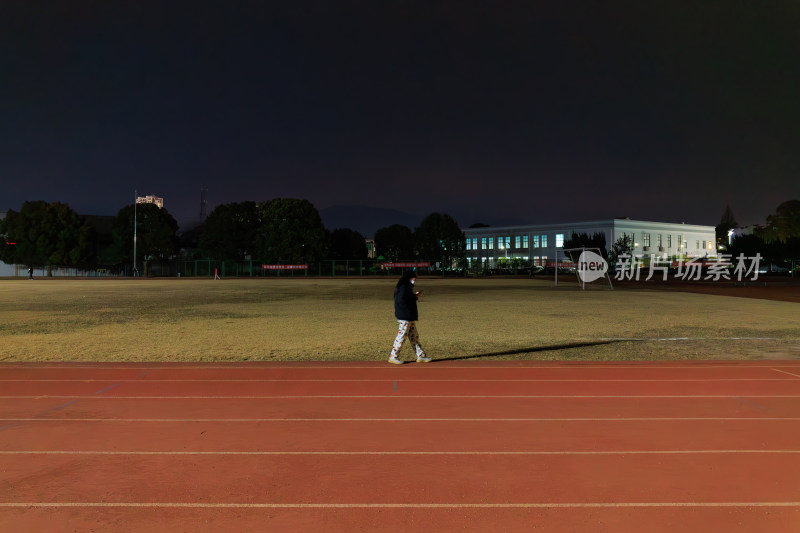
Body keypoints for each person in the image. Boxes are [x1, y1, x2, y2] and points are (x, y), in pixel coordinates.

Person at [388, 270, 431, 364]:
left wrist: (414, 297)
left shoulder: (404, 286)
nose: (414, 280)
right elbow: (401, 300)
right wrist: (414, 297)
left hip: (408, 315)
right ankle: (393, 356)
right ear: (410, 277)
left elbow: (405, 298)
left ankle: (421, 356)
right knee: (402, 336)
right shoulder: (403, 286)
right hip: (405, 315)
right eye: (414, 278)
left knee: (414, 336)